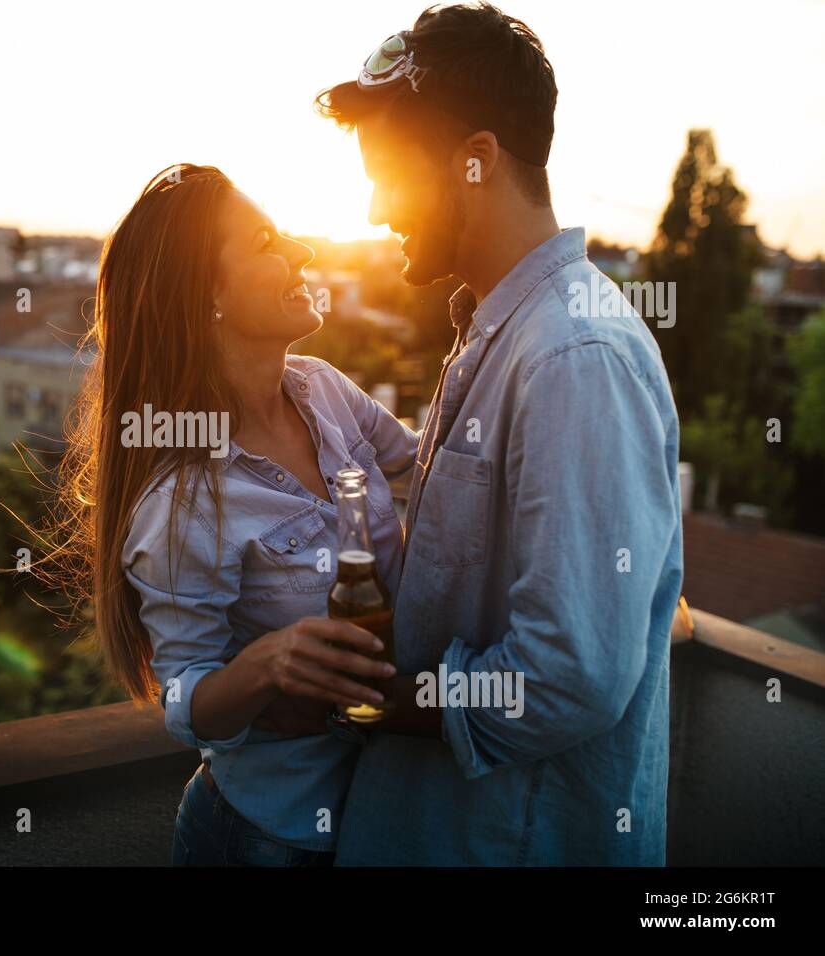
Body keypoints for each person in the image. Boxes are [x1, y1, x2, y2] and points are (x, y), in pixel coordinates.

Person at [314, 2, 683, 864]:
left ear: (475, 161)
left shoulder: (572, 357)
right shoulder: (507, 332)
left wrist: (369, 700)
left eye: (390, 175)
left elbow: (571, 674)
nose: (374, 208)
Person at [47, 164, 419, 865]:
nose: (303, 253)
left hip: (384, 817)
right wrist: (266, 665)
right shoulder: (183, 499)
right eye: (267, 242)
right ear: (207, 296)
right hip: (266, 842)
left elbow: (436, 474)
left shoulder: (325, 391)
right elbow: (185, 698)